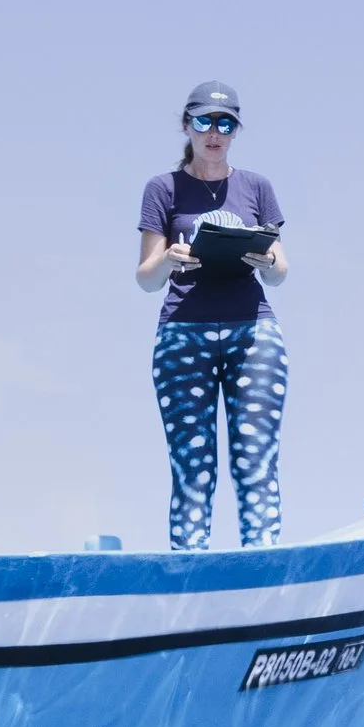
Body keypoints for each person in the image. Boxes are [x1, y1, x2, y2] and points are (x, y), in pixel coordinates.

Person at [136, 83, 288, 551]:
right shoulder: (162, 189)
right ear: (187, 126)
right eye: (204, 121)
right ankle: (189, 577)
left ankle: (262, 567)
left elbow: (280, 271)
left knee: (256, 460)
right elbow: (145, 277)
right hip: (183, 334)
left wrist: (267, 261)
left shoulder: (257, 187)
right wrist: (171, 258)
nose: (214, 132)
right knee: (192, 468)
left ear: (235, 130)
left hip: (253, 330)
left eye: (225, 123)